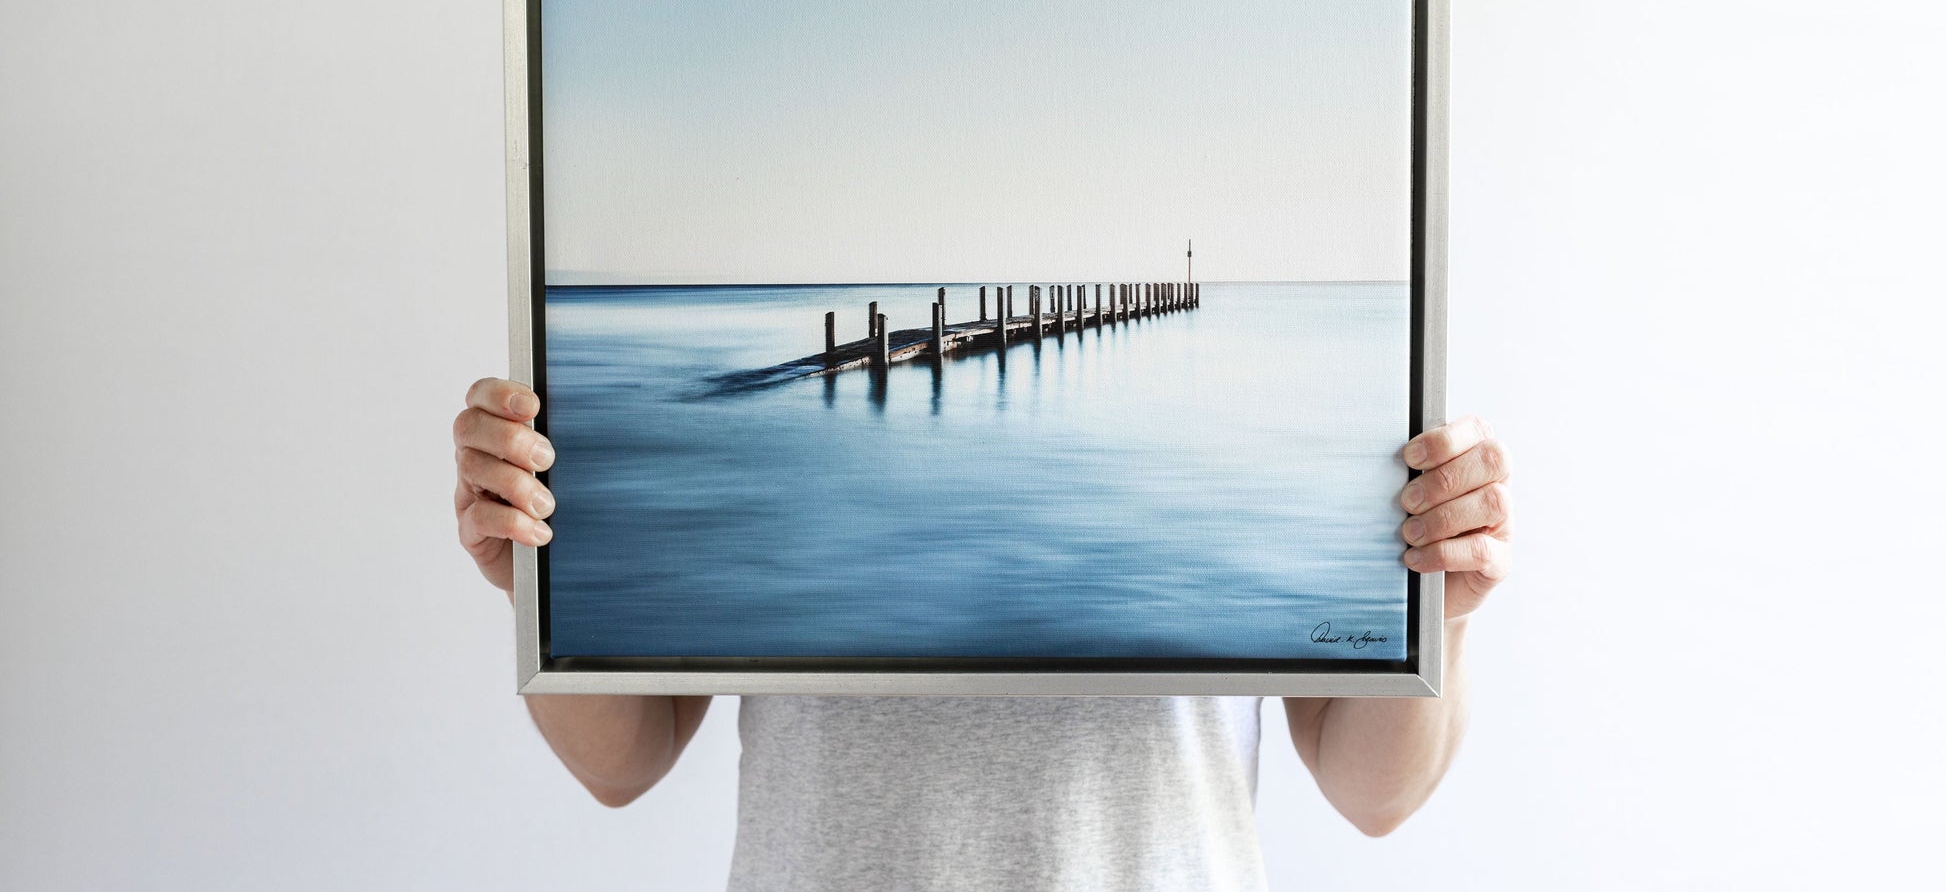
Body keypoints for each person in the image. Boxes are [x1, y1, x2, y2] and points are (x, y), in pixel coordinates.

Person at [453, 377, 1512, 889]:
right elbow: (622, 760)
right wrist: (538, 593)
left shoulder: (1309, 408)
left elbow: (1371, 793)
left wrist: (1439, 612)